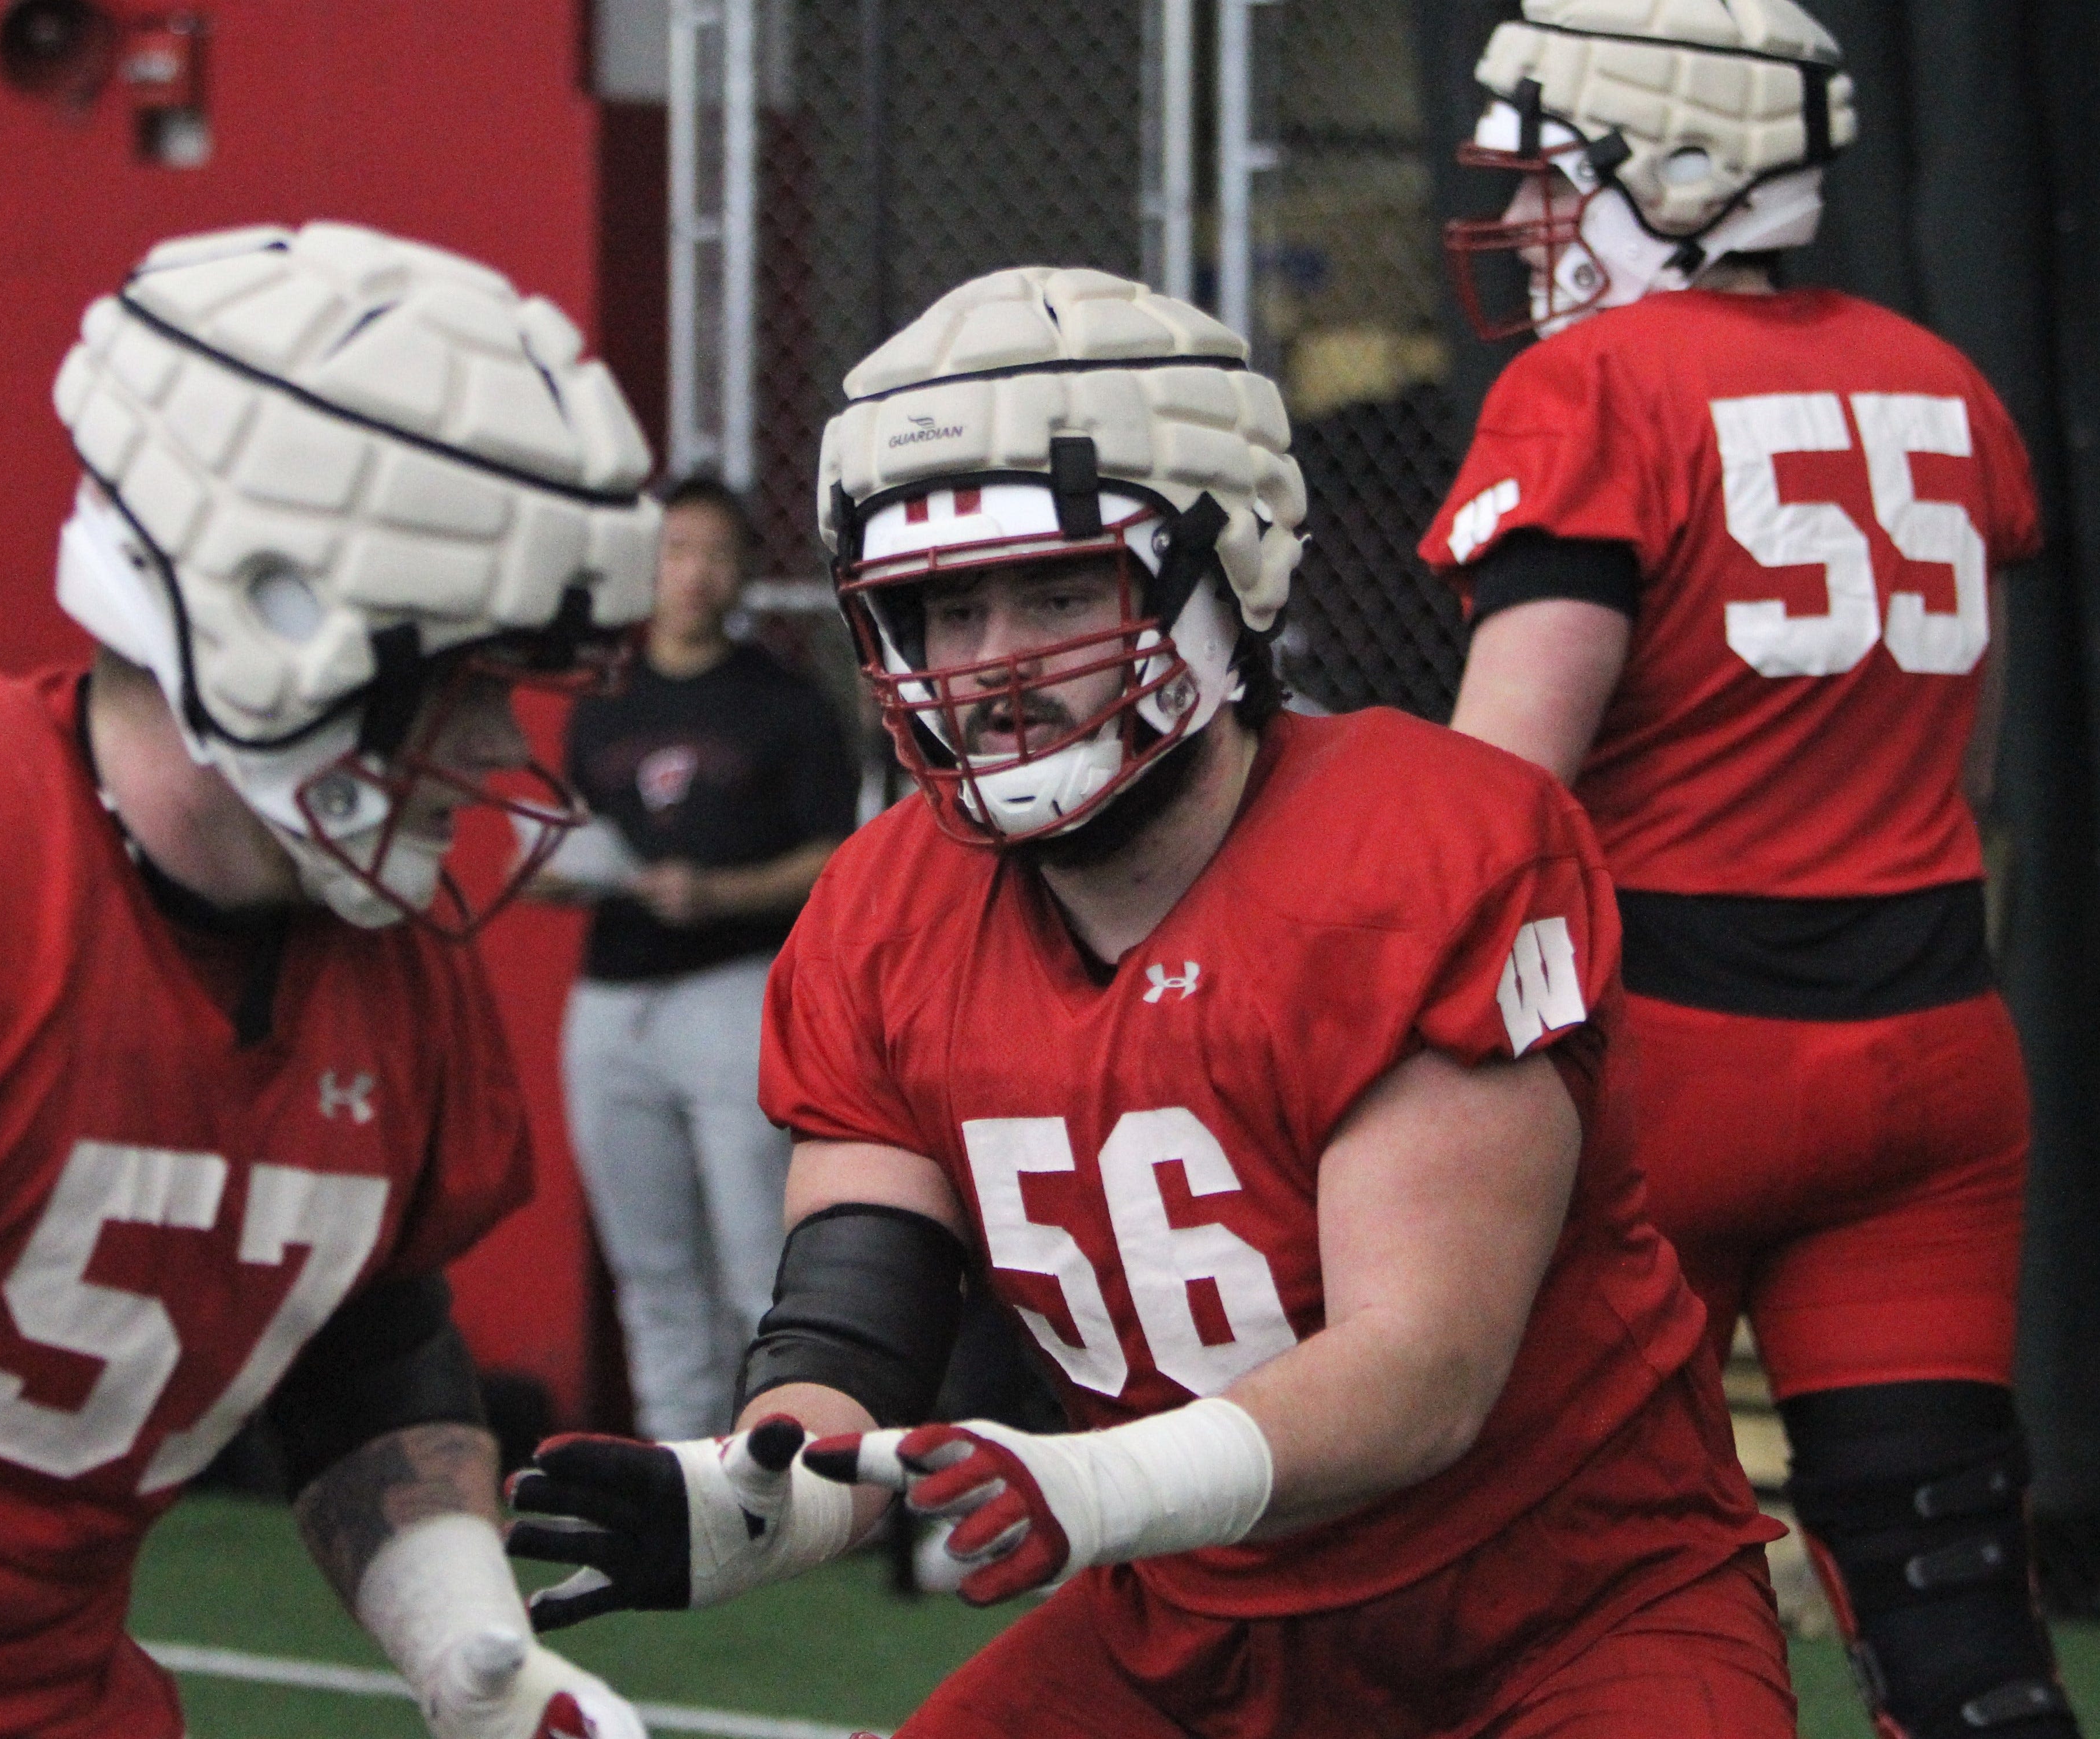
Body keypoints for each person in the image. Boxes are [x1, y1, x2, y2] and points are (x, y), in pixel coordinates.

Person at [505, 265, 1796, 1737]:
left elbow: (1419, 1368)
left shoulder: (1423, 845)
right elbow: (854, 1320)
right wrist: (764, 1500)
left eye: (1056, 588)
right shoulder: (880, 907)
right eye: (941, 607)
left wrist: (1088, 1482)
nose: (992, 666)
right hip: (1195, 1619)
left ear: (1222, 572)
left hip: (1558, 1612)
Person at [0, 221, 658, 1739]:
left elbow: (368, 1339)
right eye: (465, 681)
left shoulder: (383, 955)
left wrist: (470, 1646)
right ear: (279, 618)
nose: (503, 753)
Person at [1422, 4, 2072, 1736]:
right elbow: (1976, 756)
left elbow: (1496, 794)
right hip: (1933, 1036)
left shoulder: (1591, 384)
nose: (1529, 220)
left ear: (1687, 175)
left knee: (1557, 1579)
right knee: (1947, 1604)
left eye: (1555, 178)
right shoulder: (1941, 378)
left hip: (1670, 1052)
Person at [533, 476, 852, 1441]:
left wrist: (718, 895)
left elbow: (837, 856)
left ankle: (782, 1462)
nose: (693, 573)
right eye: (674, 551)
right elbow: (559, 832)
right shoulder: (603, 701)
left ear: (745, 570)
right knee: (650, 1260)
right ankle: (676, 1466)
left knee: (757, 1249)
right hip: (612, 999)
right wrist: (559, 874)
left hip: (733, 992)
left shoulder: (783, 701)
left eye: (715, 552)